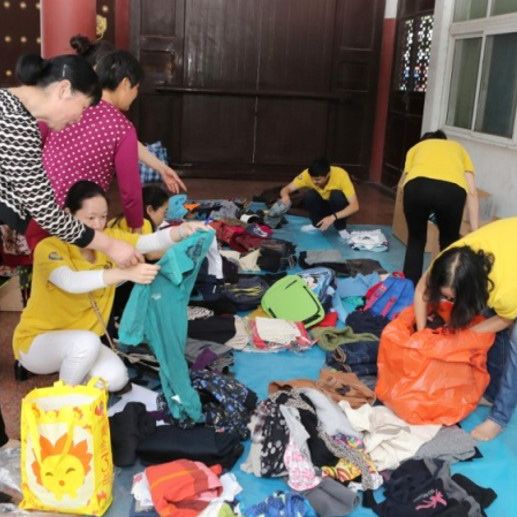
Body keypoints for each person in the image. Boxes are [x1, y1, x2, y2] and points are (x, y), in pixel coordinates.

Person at [12, 181, 208, 392]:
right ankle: (65, 399)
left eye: (103, 217)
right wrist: (124, 273)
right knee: (85, 344)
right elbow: (71, 282)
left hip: (85, 341)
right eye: (90, 218)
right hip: (38, 342)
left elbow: (147, 242)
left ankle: (72, 366)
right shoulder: (48, 247)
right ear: (68, 215)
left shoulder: (108, 240)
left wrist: (181, 231)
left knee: (117, 379)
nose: (98, 225)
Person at [414, 217, 517, 441]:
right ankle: (491, 393)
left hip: (512, 278)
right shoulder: (448, 262)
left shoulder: (506, 291)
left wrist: (461, 337)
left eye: (453, 297)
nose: (448, 301)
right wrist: (422, 334)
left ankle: (499, 418)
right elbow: (422, 289)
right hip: (509, 244)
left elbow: (505, 319)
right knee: (488, 318)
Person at [70, 34, 186, 194]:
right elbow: (129, 187)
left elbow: (127, 141)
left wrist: (161, 167)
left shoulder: (104, 114)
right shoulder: (77, 106)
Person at [402, 130, 479, 285]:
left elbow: (404, 181)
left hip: (416, 187)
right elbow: (472, 192)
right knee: (449, 242)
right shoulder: (458, 148)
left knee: (416, 240)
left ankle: (409, 289)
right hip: (451, 191)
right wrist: (475, 231)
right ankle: (443, 288)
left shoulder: (416, 148)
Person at [279, 157, 359, 236]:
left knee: (336, 195)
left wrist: (333, 217)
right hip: (323, 205)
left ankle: (341, 228)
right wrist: (285, 196)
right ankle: (317, 224)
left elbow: (355, 206)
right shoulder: (307, 174)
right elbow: (287, 188)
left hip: (338, 208)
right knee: (310, 195)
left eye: (318, 179)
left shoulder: (341, 175)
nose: (314, 182)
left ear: (327, 175)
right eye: (312, 179)